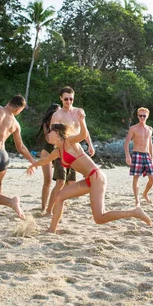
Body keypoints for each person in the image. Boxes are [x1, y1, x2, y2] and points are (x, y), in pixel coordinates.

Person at [26, 109, 151, 233]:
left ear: (58, 133)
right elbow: (45, 160)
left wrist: (82, 121)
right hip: (88, 179)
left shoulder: (69, 142)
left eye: (51, 131)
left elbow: (82, 135)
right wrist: (33, 165)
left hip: (96, 177)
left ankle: (135, 212)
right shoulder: (58, 151)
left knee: (99, 218)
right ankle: (52, 229)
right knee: (59, 197)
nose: (48, 133)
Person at [46, 86, 95, 214]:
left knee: (71, 182)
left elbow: (85, 130)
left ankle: (61, 204)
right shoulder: (57, 115)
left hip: (76, 152)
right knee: (60, 182)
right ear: (61, 99)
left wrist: (90, 145)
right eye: (66, 99)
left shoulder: (79, 111)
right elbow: (52, 136)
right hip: (62, 151)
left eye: (71, 99)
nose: (68, 102)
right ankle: (48, 210)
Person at [124, 107, 153, 205]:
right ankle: (137, 200)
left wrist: (152, 160)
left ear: (147, 116)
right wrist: (127, 156)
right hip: (137, 153)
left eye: (144, 116)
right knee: (136, 178)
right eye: (140, 116)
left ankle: (145, 194)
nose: (142, 118)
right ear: (137, 116)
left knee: (152, 179)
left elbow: (150, 145)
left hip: (147, 155)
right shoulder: (133, 128)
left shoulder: (150, 129)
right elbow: (126, 143)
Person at [36, 103, 61, 214]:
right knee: (47, 180)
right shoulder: (46, 124)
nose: (59, 113)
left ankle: (55, 204)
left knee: (61, 181)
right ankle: (43, 207)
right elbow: (48, 140)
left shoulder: (62, 122)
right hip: (47, 151)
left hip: (59, 152)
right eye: (57, 111)